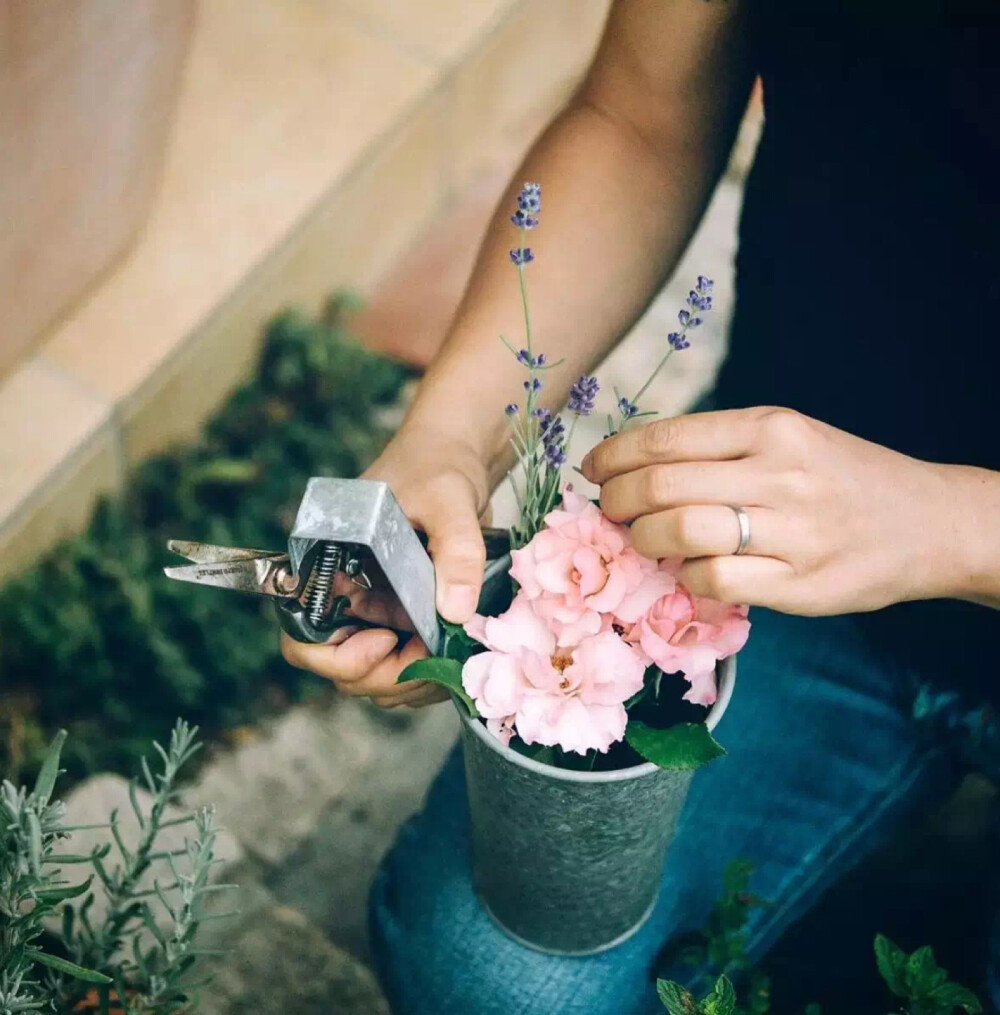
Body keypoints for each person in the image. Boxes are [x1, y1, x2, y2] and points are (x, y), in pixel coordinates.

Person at [281, 1, 1000, 1011]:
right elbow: (638, 117)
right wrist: (451, 432)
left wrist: (956, 528)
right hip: (755, 550)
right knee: (495, 978)